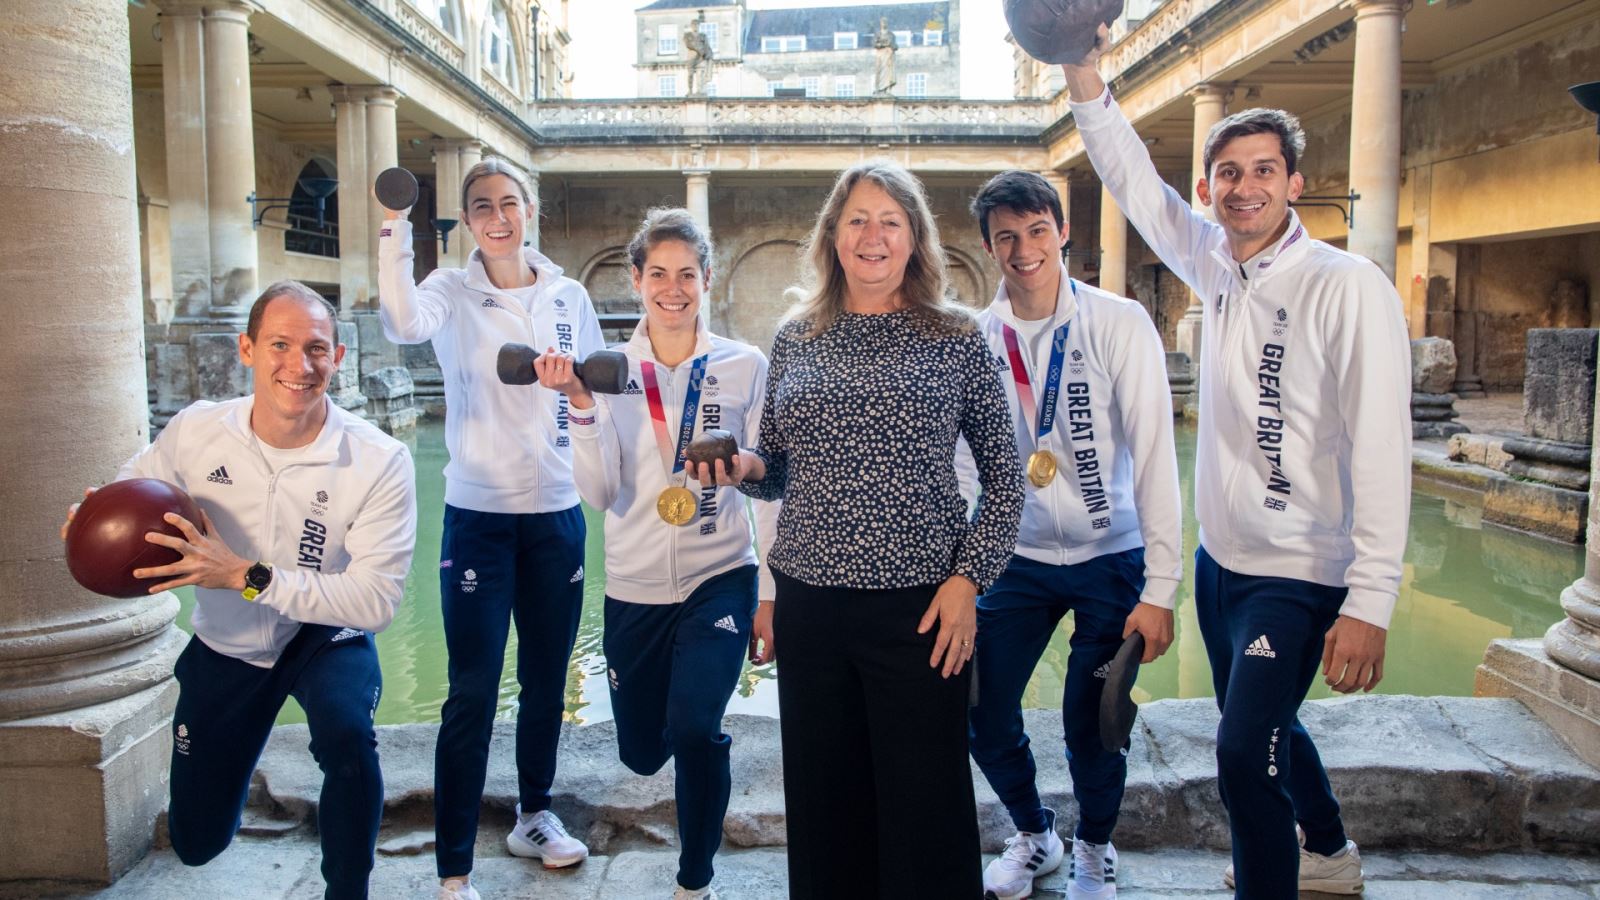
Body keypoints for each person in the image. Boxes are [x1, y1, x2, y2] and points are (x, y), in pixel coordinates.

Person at [1062, 27, 1411, 898]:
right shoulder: (1215, 262)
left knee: (1240, 760)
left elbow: (1382, 446)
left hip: (1300, 572)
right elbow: (1133, 181)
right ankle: (1327, 851)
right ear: (1210, 188)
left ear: (1294, 183)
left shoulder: (1347, 284)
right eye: (1228, 173)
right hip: (1224, 564)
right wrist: (1081, 73)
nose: (1244, 186)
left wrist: (1370, 600)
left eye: (1263, 170)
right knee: (1262, 726)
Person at [710, 160, 1025, 898]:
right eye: (857, 219)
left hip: (920, 607)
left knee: (926, 806)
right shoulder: (798, 335)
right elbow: (784, 468)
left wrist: (967, 581)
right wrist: (746, 467)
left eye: (890, 221)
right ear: (832, 235)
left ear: (914, 239)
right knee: (824, 804)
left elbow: (1007, 482)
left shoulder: (956, 336)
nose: (873, 235)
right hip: (812, 603)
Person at [61, 281, 417, 900]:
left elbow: (373, 601)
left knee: (347, 733)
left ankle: (348, 891)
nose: (299, 366)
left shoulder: (379, 458)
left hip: (322, 636)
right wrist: (93, 519)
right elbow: (130, 492)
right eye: (280, 344)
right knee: (197, 841)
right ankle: (232, 754)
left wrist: (247, 576)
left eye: (317, 348)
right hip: (226, 645)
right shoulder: (198, 430)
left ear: (337, 356)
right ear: (247, 349)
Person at [377, 158, 603, 900]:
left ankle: (534, 815)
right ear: (467, 219)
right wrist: (393, 227)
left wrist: (578, 393)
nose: (498, 216)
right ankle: (453, 869)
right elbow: (401, 323)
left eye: (510, 202)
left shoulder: (569, 295)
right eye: (482, 206)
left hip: (557, 516)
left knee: (546, 682)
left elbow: (596, 391)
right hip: (479, 516)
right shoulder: (449, 289)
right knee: (472, 690)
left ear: (530, 208)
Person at [537, 208, 778, 900]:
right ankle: (669, 726)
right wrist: (580, 405)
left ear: (707, 280)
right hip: (636, 587)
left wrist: (770, 591)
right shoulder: (608, 371)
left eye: (688, 275)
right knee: (642, 751)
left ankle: (694, 878)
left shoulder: (744, 365)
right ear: (636, 280)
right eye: (658, 275)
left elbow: (770, 486)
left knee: (699, 728)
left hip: (719, 575)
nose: (673, 289)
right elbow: (598, 489)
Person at [958, 171, 1182, 900]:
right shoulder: (977, 337)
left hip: (1110, 555)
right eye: (1006, 237)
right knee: (983, 711)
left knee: (1095, 723)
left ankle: (1094, 849)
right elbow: (965, 465)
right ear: (990, 248)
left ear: (1062, 231)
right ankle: (1035, 833)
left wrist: (1161, 587)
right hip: (1013, 556)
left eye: (1036, 231)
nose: (1024, 249)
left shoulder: (1117, 322)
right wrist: (960, 567)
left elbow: (1155, 458)